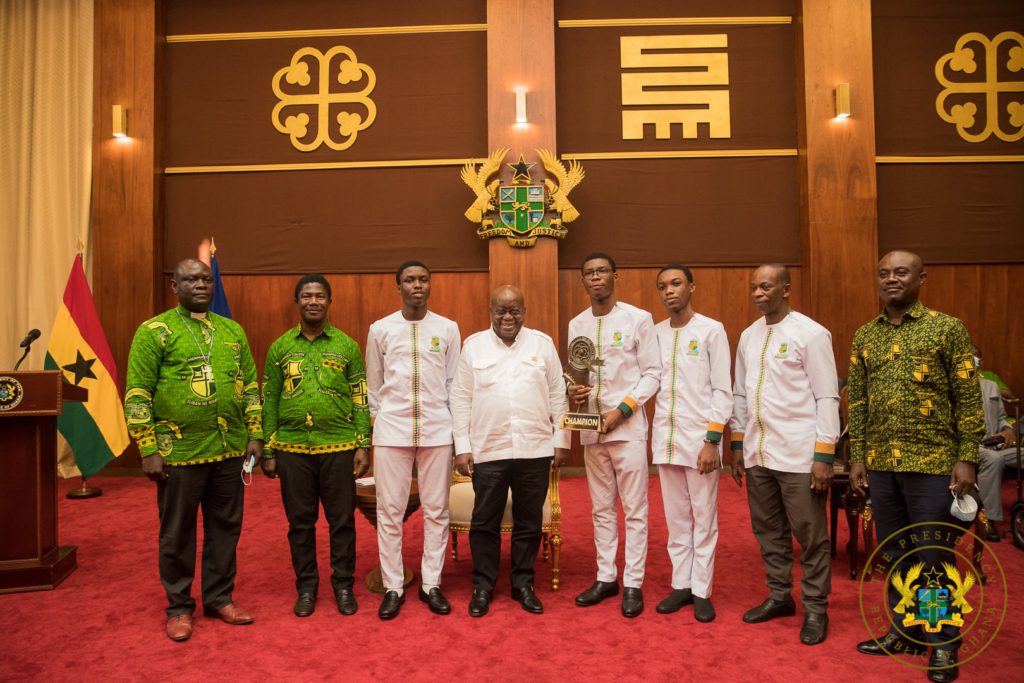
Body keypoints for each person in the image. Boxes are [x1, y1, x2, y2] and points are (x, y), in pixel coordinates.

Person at [848, 251, 985, 683]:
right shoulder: (864, 336)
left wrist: (967, 456)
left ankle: (944, 644)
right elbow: (859, 402)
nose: (891, 279)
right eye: (884, 273)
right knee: (895, 554)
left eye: (901, 272)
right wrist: (857, 457)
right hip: (883, 467)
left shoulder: (947, 328)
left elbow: (967, 397)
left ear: (921, 278)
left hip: (934, 466)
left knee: (933, 558)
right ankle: (904, 631)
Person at [124, 258, 263, 642]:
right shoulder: (155, 331)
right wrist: (147, 447)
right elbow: (137, 392)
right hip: (177, 454)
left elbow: (249, 385)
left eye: (206, 279)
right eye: (191, 279)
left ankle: (219, 598)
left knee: (225, 530)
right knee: (177, 534)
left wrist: (255, 433)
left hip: (228, 451)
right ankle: (179, 607)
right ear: (175, 286)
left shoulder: (232, 330)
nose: (201, 284)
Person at [730, 263, 838, 646]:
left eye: (766, 287)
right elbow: (740, 394)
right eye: (754, 287)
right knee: (768, 531)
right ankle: (779, 596)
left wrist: (824, 456)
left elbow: (827, 396)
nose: (758, 293)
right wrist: (738, 443)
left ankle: (815, 607)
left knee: (809, 535)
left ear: (786, 289)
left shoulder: (811, 334)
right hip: (760, 452)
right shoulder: (748, 336)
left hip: (798, 454)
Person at [450, 285, 571, 617]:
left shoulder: (542, 344)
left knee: (529, 521)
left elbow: (558, 395)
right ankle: (483, 585)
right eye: (501, 310)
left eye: (515, 310)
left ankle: (523, 584)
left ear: (524, 311)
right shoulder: (473, 347)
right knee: (484, 520)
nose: (508, 316)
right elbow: (460, 399)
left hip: (534, 449)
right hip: (488, 450)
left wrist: (561, 441)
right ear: (491, 311)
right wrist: (462, 447)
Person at [261, 274, 370, 618]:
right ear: (297, 302)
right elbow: (270, 400)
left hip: (338, 447)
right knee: (300, 524)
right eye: (306, 295)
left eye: (319, 296)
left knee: (342, 523)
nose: (313, 301)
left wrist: (363, 444)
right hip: (292, 449)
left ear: (329, 302)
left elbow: (360, 399)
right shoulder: (280, 347)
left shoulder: (347, 345)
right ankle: (306, 587)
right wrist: (267, 449)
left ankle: (342, 586)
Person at [366, 260, 460, 620]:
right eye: (409, 280)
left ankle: (431, 584)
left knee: (437, 509)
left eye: (423, 279)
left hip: (437, 430)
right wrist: (381, 422)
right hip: (392, 432)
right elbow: (375, 386)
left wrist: (454, 430)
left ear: (430, 285)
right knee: (390, 510)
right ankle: (392, 585)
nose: (417, 285)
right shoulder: (380, 330)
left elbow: (453, 384)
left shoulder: (448, 328)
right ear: (398, 287)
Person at [568, 252, 661, 617]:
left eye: (602, 271)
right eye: (589, 273)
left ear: (615, 276)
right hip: (592, 430)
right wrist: (574, 391)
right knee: (601, 509)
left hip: (628, 429)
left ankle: (634, 582)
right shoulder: (577, 324)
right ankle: (606, 577)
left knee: (635, 510)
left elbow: (652, 374)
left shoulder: (638, 319)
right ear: (583, 280)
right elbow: (580, 374)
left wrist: (621, 411)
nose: (596, 277)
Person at [651, 264, 732, 622]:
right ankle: (681, 584)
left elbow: (722, 391)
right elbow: (646, 381)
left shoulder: (712, 330)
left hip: (701, 441)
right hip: (666, 439)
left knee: (704, 517)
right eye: (663, 286)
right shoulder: (655, 334)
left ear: (691, 287)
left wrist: (712, 440)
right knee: (676, 519)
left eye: (676, 283)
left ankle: (702, 589)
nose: (669, 291)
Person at [973, 344, 1017, 542]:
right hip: (972, 446)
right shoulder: (950, 386)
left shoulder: (991, 386)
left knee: (999, 455)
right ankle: (987, 518)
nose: (972, 359)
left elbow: (1001, 418)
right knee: (992, 459)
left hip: (998, 443)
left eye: (976, 356)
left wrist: (1009, 430)